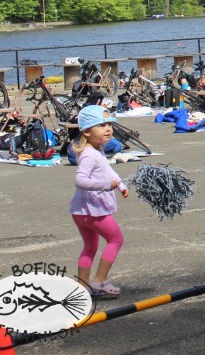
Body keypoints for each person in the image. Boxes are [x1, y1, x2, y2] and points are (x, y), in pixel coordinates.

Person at [70, 105, 128, 298]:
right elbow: (80, 180)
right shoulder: (89, 154)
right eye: (101, 125)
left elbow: (107, 170)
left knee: (90, 246)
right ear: (87, 132)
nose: (108, 129)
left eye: (109, 125)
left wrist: (120, 184)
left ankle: (82, 286)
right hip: (93, 211)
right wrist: (106, 185)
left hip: (81, 211)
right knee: (116, 240)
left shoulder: (96, 150)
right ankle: (100, 280)